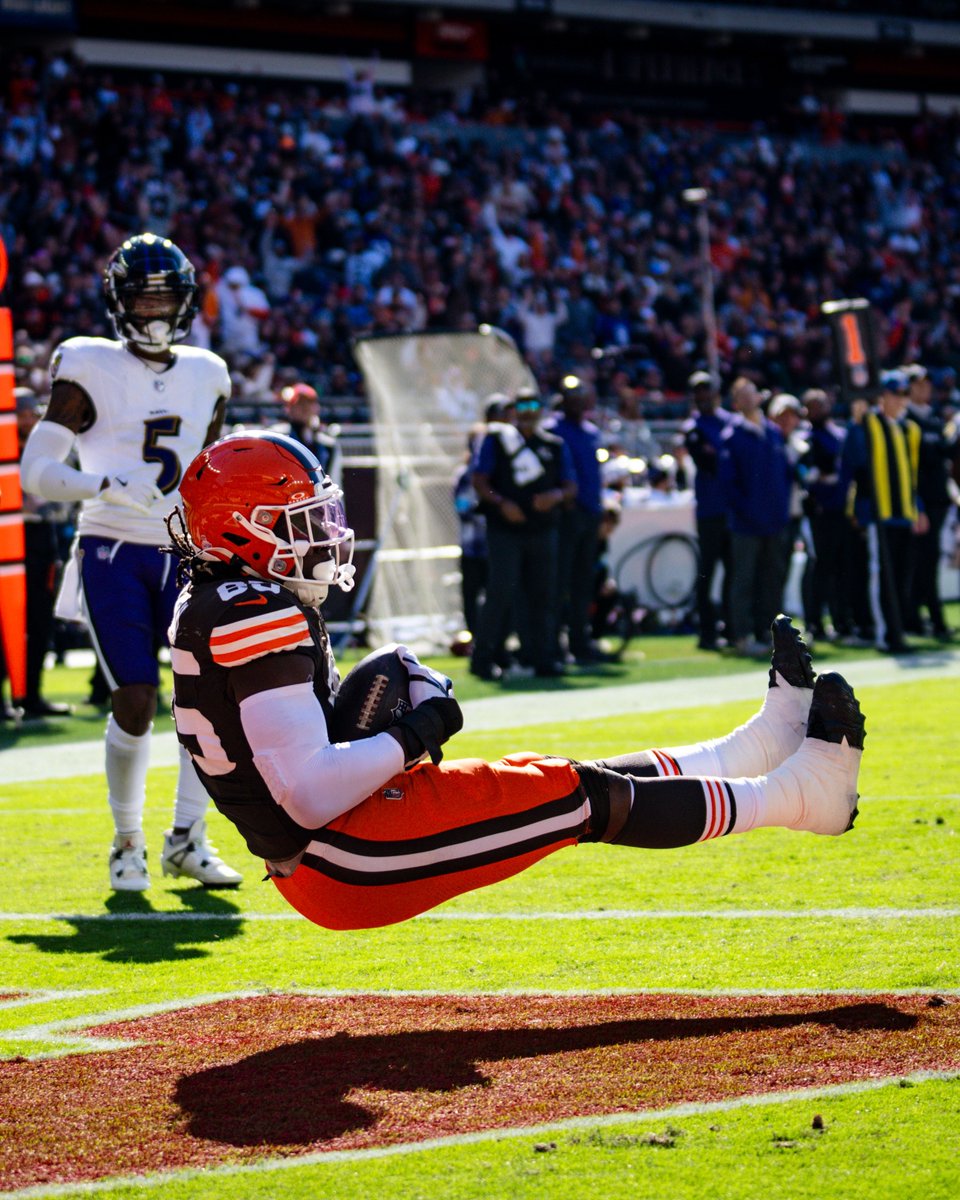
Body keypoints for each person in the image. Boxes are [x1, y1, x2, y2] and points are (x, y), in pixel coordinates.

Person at [164, 430, 865, 932]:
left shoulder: (218, 603)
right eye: (299, 521)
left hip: (335, 849)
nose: (322, 534)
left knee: (552, 779)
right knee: (581, 800)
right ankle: (801, 797)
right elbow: (311, 792)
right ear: (238, 529)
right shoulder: (252, 615)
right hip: (345, 855)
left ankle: (758, 748)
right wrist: (417, 732)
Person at [19, 233, 243, 893]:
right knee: (137, 699)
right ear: (118, 301)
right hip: (112, 546)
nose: (154, 311)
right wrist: (103, 486)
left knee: (203, 702)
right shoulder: (89, 364)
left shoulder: (209, 371)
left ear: (186, 301)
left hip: (184, 551)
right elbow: (36, 471)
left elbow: (212, 467)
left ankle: (188, 838)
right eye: (143, 298)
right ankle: (126, 841)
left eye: (165, 297)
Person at [469, 386, 576, 680]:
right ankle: (484, 658)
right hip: (505, 529)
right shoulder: (497, 440)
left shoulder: (553, 445)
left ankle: (543, 657)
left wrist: (553, 496)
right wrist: (502, 503)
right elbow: (480, 480)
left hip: (543, 529)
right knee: (500, 592)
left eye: (533, 404)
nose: (528, 410)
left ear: (541, 409)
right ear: (512, 410)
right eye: (522, 404)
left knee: (543, 594)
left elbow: (570, 486)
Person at [840, 369, 923, 655]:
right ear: (882, 397)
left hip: (903, 512)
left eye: (904, 394)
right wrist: (856, 422)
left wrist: (918, 508)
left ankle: (898, 630)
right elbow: (855, 459)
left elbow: (911, 475)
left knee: (902, 577)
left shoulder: (908, 429)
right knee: (881, 575)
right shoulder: (868, 424)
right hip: (879, 513)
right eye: (896, 394)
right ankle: (885, 634)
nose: (901, 400)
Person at [719, 377, 792, 658]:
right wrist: (748, 512)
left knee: (772, 578)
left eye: (752, 393)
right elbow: (729, 485)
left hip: (774, 521)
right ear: (737, 403)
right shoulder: (733, 436)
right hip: (747, 524)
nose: (750, 399)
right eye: (743, 395)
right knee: (745, 579)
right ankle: (742, 634)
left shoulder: (773, 433)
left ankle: (770, 633)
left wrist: (780, 511)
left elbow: (784, 475)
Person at [14, 387, 71, 719]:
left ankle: (31, 695)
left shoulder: (41, 450)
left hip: (38, 534)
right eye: (21, 413)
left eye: (30, 413)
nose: (28, 419)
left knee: (39, 619)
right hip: (12, 533)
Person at [543, 375, 606, 665]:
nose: (576, 400)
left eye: (580, 394)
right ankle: (553, 645)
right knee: (559, 583)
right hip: (566, 516)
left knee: (583, 583)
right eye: (571, 394)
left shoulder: (591, 432)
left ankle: (581, 642)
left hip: (590, 514)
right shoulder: (553, 430)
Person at [903, 363, 954, 639]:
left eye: (926, 384)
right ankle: (929, 618)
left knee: (928, 559)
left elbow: (945, 453)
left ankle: (922, 617)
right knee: (919, 560)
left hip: (938, 500)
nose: (924, 389)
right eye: (917, 384)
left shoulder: (934, 419)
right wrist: (918, 504)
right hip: (919, 502)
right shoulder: (907, 421)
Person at [682, 371, 732, 650]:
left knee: (734, 569)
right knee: (708, 570)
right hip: (710, 509)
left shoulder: (728, 423)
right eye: (697, 392)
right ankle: (707, 631)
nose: (702, 397)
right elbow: (709, 461)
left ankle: (732, 626)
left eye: (706, 391)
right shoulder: (694, 428)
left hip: (732, 508)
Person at [277, 382, 341, 485]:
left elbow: (335, 481)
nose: (304, 408)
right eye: (299, 404)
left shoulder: (328, 445)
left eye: (309, 403)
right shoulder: (279, 439)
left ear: (317, 407)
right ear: (289, 409)